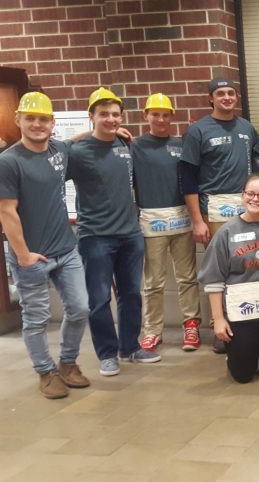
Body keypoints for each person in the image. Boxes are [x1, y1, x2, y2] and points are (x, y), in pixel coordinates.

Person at [0, 92, 91, 398]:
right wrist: (23, 255)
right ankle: (45, 372)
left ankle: (67, 364)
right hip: (31, 256)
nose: (37, 125)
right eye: (31, 119)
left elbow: (75, 141)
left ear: (52, 123)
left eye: (43, 119)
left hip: (66, 250)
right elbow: (6, 211)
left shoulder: (58, 150)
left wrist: (105, 129)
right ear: (19, 121)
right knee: (36, 318)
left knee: (80, 308)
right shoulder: (8, 162)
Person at [67, 87, 159, 376]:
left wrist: (118, 132)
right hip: (95, 237)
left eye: (116, 114)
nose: (111, 119)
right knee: (98, 300)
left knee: (131, 293)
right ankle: (107, 354)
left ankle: (130, 347)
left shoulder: (124, 146)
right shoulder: (78, 153)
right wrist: (79, 136)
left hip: (130, 235)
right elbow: (49, 154)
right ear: (91, 116)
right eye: (103, 114)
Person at [180, 77, 259, 353]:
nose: (227, 97)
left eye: (231, 93)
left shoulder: (247, 128)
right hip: (215, 210)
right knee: (220, 269)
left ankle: (245, 321)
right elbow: (187, 178)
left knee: (246, 265)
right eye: (221, 94)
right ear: (210, 99)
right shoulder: (197, 131)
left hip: (247, 206)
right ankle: (220, 325)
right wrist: (197, 219)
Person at [198, 174, 259, 383]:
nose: (255, 199)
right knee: (243, 375)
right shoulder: (226, 232)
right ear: (243, 196)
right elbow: (213, 280)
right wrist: (218, 320)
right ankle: (236, 354)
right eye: (250, 193)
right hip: (240, 311)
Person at [131, 93, 202, 352]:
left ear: (172, 116)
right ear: (145, 116)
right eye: (155, 114)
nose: (160, 119)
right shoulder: (134, 145)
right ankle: (152, 330)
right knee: (153, 282)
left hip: (182, 219)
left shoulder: (182, 144)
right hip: (152, 222)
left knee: (187, 277)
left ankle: (191, 325)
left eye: (165, 114)